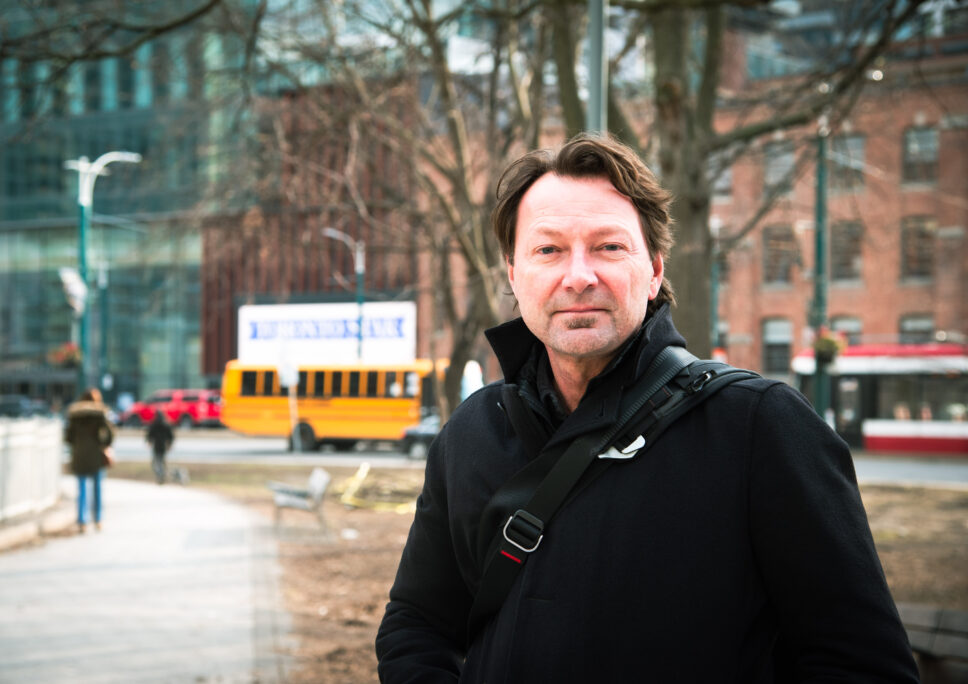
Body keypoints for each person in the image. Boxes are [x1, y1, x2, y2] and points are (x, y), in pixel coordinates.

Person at [376, 134, 918, 682]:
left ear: (655, 270)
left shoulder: (761, 427)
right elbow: (416, 623)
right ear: (515, 276)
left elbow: (862, 665)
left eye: (609, 246)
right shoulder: (470, 432)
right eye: (549, 249)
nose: (580, 275)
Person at [65, 388, 115, 533]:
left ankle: (82, 521)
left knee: (81, 490)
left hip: (80, 456)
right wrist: (104, 444)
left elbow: (68, 437)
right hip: (96, 456)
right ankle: (98, 519)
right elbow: (110, 434)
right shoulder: (99, 414)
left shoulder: (75, 415)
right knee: (97, 489)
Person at [145, 410, 175, 484]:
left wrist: (149, 441)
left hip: (157, 445)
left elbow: (149, 434)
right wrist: (169, 444)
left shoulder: (154, 424)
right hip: (162, 446)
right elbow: (170, 436)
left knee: (156, 462)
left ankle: (160, 475)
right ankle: (162, 475)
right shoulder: (165, 424)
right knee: (161, 461)